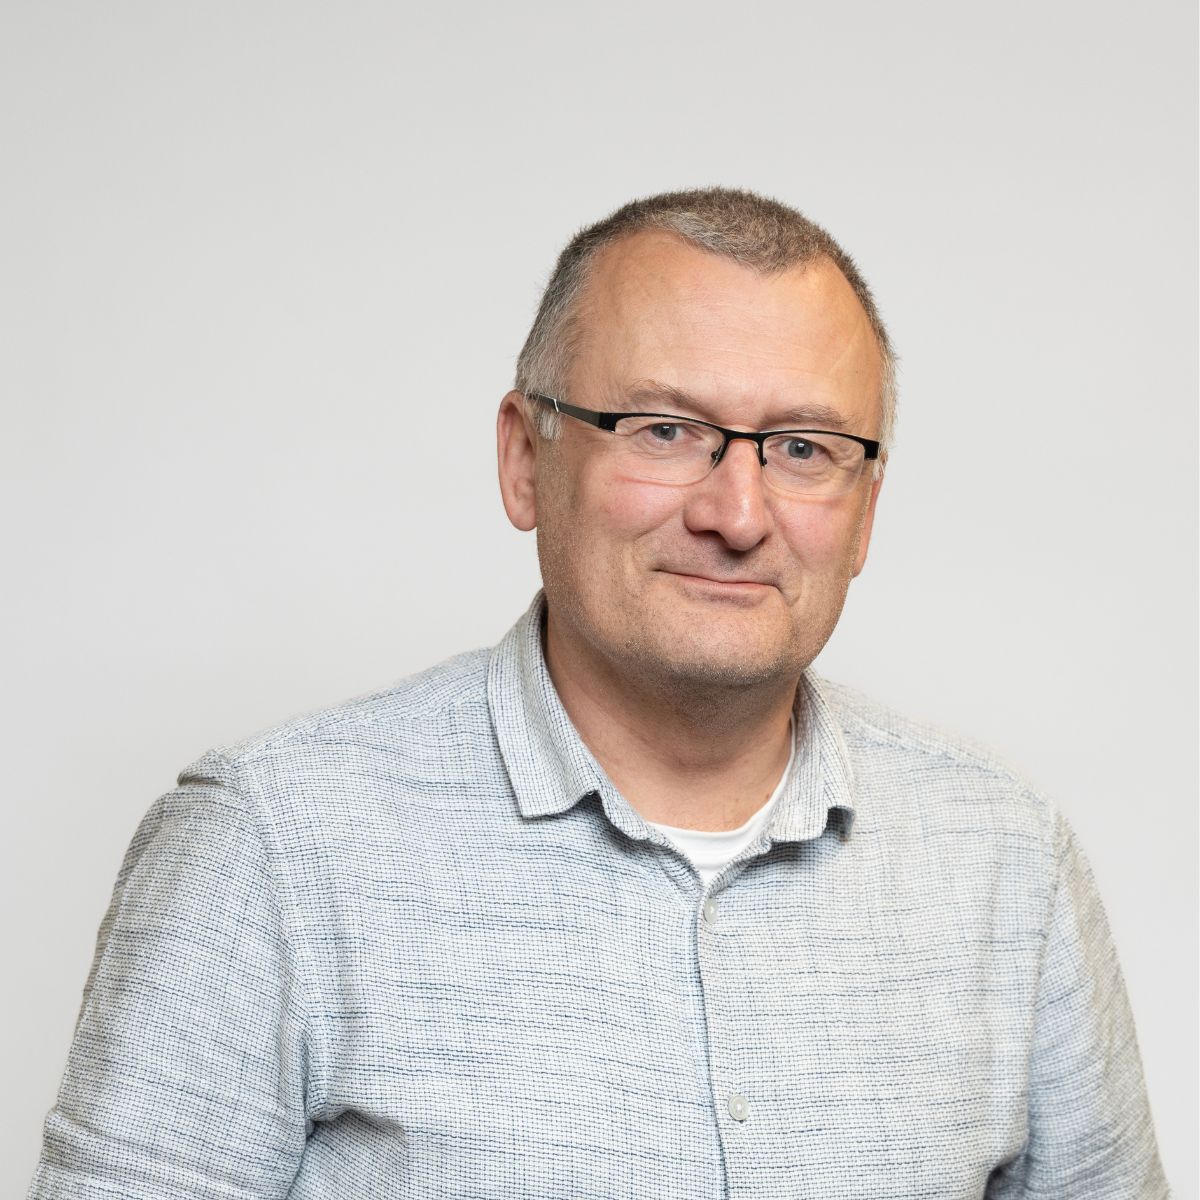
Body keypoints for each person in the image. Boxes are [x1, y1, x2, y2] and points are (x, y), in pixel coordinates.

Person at [28, 188, 1167, 1198]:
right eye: (665, 430)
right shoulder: (270, 847)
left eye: (804, 448)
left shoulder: (1010, 861)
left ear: (866, 511)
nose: (737, 515)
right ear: (525, 460)